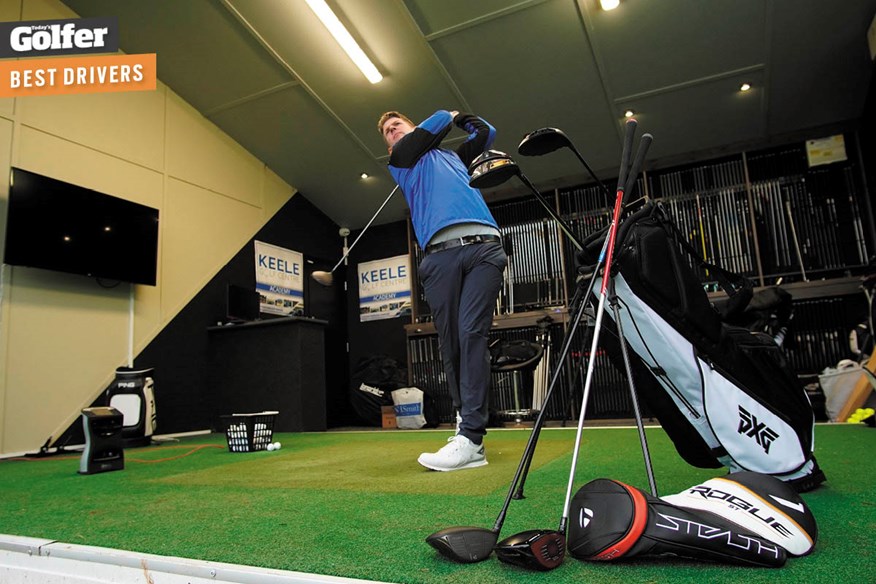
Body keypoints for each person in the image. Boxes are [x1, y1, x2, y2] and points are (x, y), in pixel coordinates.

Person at [378, 109, 507, 472]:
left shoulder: (452, 157)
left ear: (412, 125)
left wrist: (463, 116)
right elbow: (429, 129)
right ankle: (466, 428)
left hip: (484, 247)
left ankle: (471, 436)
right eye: (387, 132)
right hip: (439, 258)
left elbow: (487, 131)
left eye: (396, 125)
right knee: (452, 344)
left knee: (472, 334)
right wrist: (444, 115)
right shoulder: (401, 161)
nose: (392, 133)